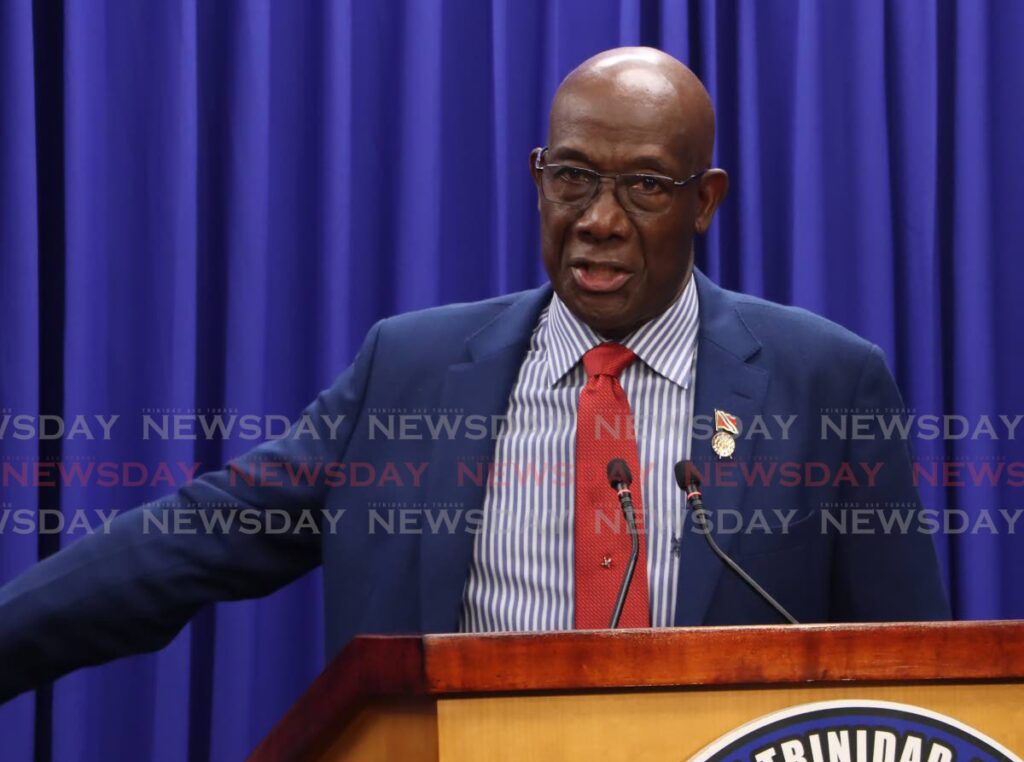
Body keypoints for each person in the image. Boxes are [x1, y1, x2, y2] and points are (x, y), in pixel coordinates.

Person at [0, 47, 949, 703]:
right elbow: (192, 538)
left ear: (705, 202)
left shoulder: (826, 382)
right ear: (538, 175)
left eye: (645, 187)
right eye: (573, 177)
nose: (599, 219)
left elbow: (919, 676)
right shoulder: (408, 373)